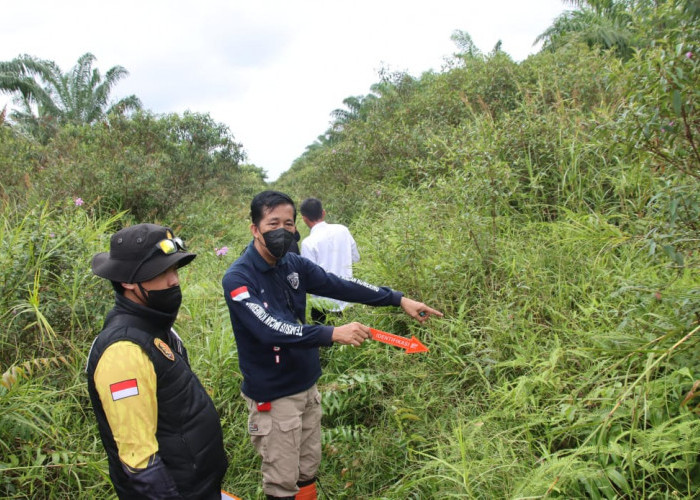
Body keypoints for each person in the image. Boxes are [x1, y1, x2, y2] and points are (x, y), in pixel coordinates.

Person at [221, 190, 442, 500]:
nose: (282, 231)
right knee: (282, 482)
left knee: (307, 469)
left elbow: (340, 284)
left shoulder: (293, 263)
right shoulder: (238, 279)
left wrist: (398, 298)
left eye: (288, 223)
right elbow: (270, 329)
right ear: (255, 229)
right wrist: (331, 332)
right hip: (274, 397)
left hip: (307, 386)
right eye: (273, 223)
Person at [86, 223, 228, 499]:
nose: (173, 280)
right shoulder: (123, 352)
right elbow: (141, 465)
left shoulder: (154, 329)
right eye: (161, 272)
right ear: (127, 281)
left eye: (174, 269)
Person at [299, 197, 360, 324]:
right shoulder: (342, 230)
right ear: (323, 212)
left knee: (326, 341)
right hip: (348, 298)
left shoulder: (308, 243)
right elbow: (356, 258)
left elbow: (310, 277)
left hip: (323, 305)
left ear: (304, 218)